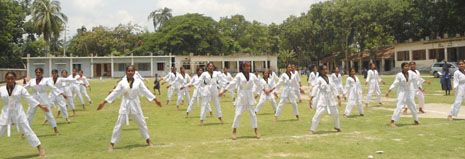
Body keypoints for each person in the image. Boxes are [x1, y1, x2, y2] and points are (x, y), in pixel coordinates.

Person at [97, 65, 162, 152]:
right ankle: (112, 144)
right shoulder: (122, 82)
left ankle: (148, 141)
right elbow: (115, 92)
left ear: (134, 72)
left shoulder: (138, 82)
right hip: (125, 104)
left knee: (142, 122)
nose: (130, 72)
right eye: (129, 71)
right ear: (126, 72)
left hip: (135, 104)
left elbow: (146, 91)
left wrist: (155, 99)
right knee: (119, 124)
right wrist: (104, 102)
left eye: (132, 71)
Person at [0, 72, 46, 157]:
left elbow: (29, 98)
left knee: (26, 128)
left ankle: (40, 148)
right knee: (0, 128)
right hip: (6, 111)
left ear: (15, 79)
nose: (10, 80)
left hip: (18, 110)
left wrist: (40, 106)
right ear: (5, 79)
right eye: (8, 79)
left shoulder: (20, 88)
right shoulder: (1, 89)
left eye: (12, 78)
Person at [220, 61, 263, 140]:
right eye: (246, 66)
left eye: (249, 66)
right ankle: (234, 131)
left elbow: (259, 84)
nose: (248, 68)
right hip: (241, 97)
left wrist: (264, 90)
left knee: (253, 115)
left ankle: (256, 130)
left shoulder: (252, 75)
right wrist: (223, 91)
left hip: (250, 96)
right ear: (243, 67)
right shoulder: (239, 75)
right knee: (238, 114)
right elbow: (232, 83)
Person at [24, 68, 62, 136]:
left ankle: (56, 130)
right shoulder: (32, 81)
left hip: (43, 97)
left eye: (39, 72)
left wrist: (61, 93)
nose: (38, 74)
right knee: (29, 114)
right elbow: (24, 88)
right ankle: (24, 132)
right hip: (34, 97)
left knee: (49, 114)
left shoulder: (46, 80)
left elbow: (53, 87)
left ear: (42, 73)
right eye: (36, 72)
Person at [386, 62, 421, 127]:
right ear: (402, 68)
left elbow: (417, 79)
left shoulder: (411, 73)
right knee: (399, 105)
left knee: (413, 105)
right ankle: (392, 121)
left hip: (410, 90)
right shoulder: (399, 75)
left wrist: (424, 83)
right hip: (402, 90)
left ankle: (416, 120)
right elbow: (395, 83)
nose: (407, 67)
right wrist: (388, 91)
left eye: (408, 66)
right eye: (405, 66)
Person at [309, 65, 342, 135]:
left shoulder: (329, 79)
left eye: (327, 69)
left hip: (330, 98)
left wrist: (338, 97)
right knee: (318, 114)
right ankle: (312, 129)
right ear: (321, 71)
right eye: (324, 70)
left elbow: (333, 88)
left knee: (336, 113)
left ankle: (337, 126)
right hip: (322, 98)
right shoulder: (319, 79)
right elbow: (315, 88)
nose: (326, 71)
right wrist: (311, 97)